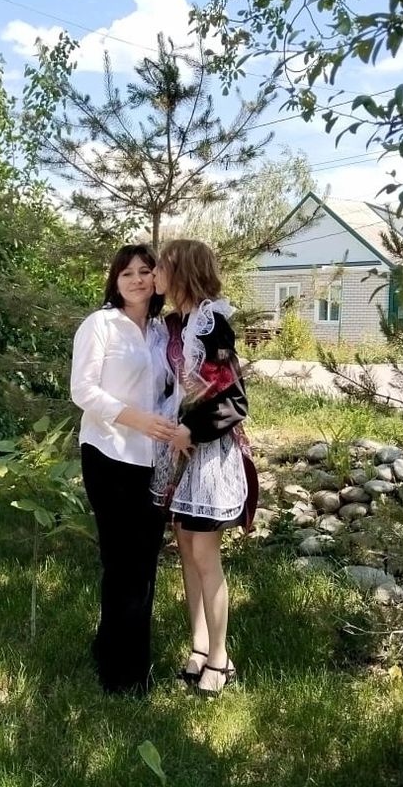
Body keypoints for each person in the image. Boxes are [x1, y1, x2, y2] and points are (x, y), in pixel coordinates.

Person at [151, 239, 257, 695]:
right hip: (179, 452)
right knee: (185, 550)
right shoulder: (177, 322)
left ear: (181, 273)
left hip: (206, 452)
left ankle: (220, 658)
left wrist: (190, 431)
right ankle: (198, 646)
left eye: (161, 267)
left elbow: (235, 400)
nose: (154, 274)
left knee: (204, 555)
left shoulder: (213, 324)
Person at [70, 243, 175, 695]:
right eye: (127, 272)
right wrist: (137, 420)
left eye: (145, 271)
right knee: (121, 563)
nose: (136, 279)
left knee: (145, 563)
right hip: (109, 454)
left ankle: (115, 651)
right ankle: (123, 676)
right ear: (115, 280)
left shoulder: (162, 332)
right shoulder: (100, 324)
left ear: (157, 279)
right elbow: (82, 390)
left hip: (154, 461)